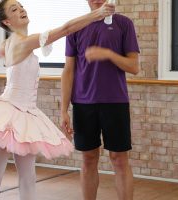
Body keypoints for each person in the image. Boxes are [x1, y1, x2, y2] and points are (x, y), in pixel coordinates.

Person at [0, 0, 115, 200]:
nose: (21, 10)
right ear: (7, 22)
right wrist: (97, 14)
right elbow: (66, 28)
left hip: (25, 115)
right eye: (14, 10)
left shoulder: (8, 44)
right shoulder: (23, 42)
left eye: (21, 6)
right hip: (7, 113)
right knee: (1, 177)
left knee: (18, 177)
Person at [61, 0, 140, 200]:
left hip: (115, 102)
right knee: (88, 158)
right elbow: (68, 70)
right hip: (83, 104)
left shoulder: (124, 24)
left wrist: (107, 54)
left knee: (119, 159)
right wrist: (63, 110)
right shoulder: (75, 26)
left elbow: (134, 66)